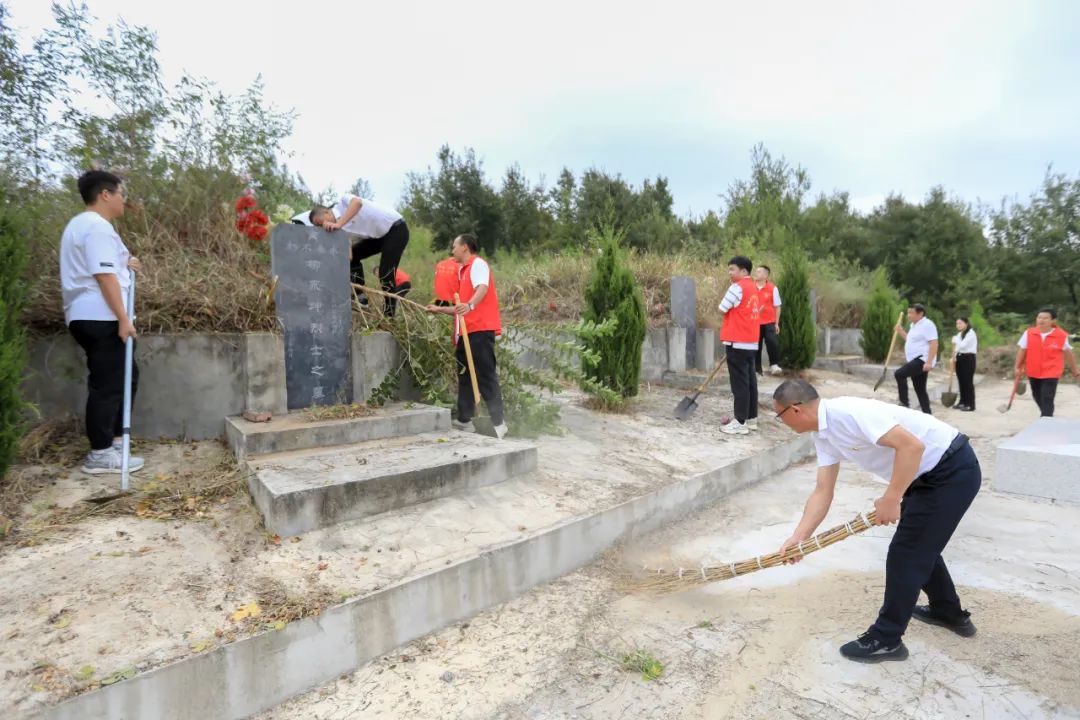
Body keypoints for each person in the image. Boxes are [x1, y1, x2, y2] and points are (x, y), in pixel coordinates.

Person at [773, 379, 980, 663]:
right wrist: (800, 537)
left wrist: (892, 498)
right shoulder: (823, 435)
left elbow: (912, 446)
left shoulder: (848, 413)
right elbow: (823, 491)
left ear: (794, 410)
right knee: (920, 544)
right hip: (923, 477)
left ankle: (887, 639)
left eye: (778, 414)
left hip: (951, 470)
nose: (780, 421)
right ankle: (948, 612)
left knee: (906, 553)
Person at [60, 170, 146, 476]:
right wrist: (123, 318)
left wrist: (127, 262)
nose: (124, 199)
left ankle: (116, 441)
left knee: (124, 376)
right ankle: (100, 452)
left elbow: (109, 265)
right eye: (121, 193)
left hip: (93, 314)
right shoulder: (95, 227)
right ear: (105, 194)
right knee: (108, 383)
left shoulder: (85, 226)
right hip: (101, 316)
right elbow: (103, 276)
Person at [426, 235, 508, 439]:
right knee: (464, 374)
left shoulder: (477, 264)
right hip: (466, 330)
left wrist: (470, 305)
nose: (451, 250)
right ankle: (465, 419)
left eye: (454, 246)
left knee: (485, 375)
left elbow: (482, 288)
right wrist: (438, 309)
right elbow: (460, 307)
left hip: (480, 329)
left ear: (464, 247)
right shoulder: (462, 272)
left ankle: (499, 423)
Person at [309, 194, 409, 316]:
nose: (322, 228)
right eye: (319, 227)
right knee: (355, 257)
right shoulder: (339, 232)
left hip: (396, 229)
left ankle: (389, 315)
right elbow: (350, 257)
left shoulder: (344, 202)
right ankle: (361, 297)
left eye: (320, 224)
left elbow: (357, 203)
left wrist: (339, 224)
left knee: (385, 273)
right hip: (378, 237)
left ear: (326, 213)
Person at [718, 256, 763, 435]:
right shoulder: (754, 287)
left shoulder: (737, 287)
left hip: (737, 341)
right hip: (751, 341)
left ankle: (740, 422)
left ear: (744, 271)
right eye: (729, 269)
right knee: (750, 381)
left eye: (732, 269)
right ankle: (751, 419)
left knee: (739, 384)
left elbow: (722, 308)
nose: (730, 273)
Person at [1015, 308, 1079, 417]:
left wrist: (1075, 371)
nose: (1041, 320)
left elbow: (1069, 354)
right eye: (1039, 317)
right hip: (1033, 371)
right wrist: (1017, 367)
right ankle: (1047, 416)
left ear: (1053, 321)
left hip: (1051, 371)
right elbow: (1022, 350)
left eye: (1045, 318)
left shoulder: (1061, 335)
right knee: (1037, 396)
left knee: (1047, 397)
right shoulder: (1029, 333)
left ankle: (1046, 420)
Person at [893, 304, 938, 414]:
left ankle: (904, 403)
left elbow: (934, 343)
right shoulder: (914, 325)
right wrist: (901, 332)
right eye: (908, 313)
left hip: (922, 359)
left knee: (899, 374)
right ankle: (927, 414)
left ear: (920, 313)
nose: (909, 315)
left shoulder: (928, 325)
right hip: (914, 359)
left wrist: (929, 362)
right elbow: (910, 340)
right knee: (920, 389)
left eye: (911, 313)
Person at [753, 265, 783, 376]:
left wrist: (776, 323)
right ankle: (757, 369)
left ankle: (774, 365)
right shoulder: (751, 287)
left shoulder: (772, 288)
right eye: (756, 271)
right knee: (756, 345)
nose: (756, 273)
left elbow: (777, 306)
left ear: (766, 275)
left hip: (769, 321)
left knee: (772, 342)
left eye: (759, 272)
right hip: (754, 321)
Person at [952, 317, 977, 412]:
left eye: (960, 323)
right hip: (959, 358)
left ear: (966, 323)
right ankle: (962, 402)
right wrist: (953, 356)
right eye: (957, 323)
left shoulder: (971, 333)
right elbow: (957, 347)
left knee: (968, 382)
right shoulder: (959, 334)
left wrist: (955, 339)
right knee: (961, 381)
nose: (958, 325)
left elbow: (963, 345)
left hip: (969, 358)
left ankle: (970, 404)